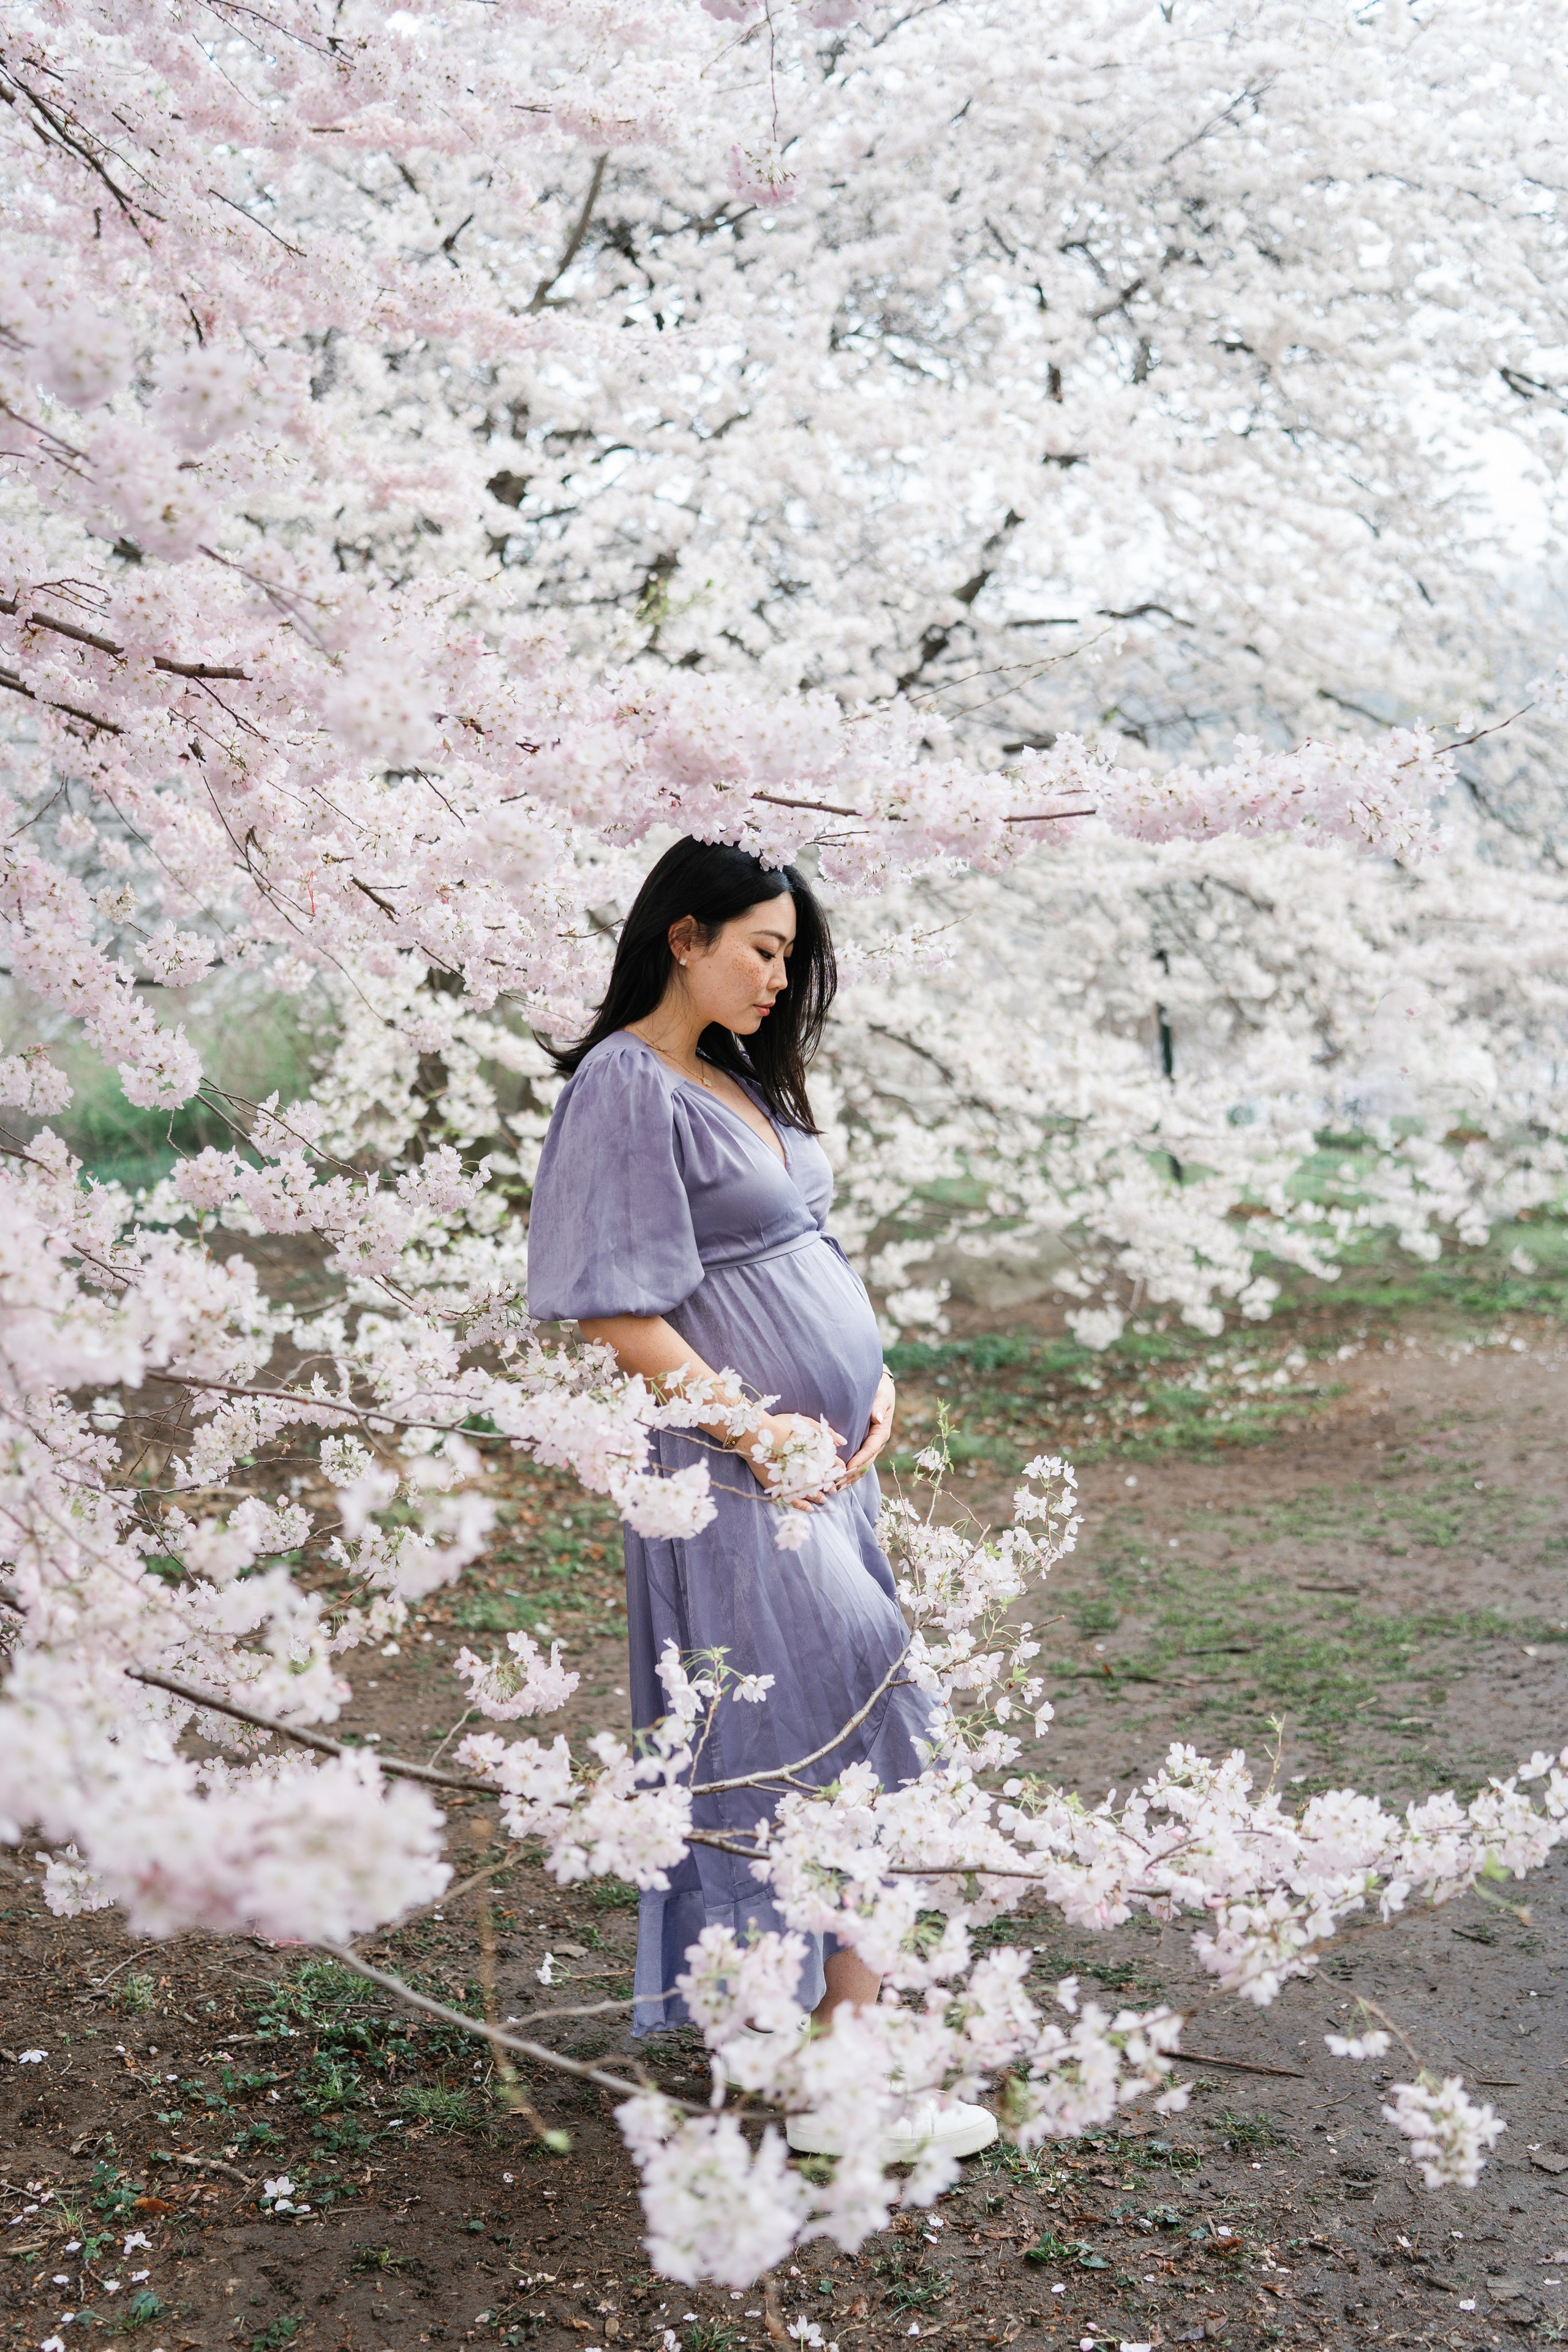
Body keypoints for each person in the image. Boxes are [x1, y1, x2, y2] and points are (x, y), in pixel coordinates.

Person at [527, 837, 995, 2162]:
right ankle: (828, 2071)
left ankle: (840, 2050)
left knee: (834, 1721)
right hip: (733, 1473)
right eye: (762, 949)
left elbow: (804, 1246)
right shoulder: (626, 1084)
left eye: (791, 958)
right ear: (683, 936)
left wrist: (874, 1375)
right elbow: (617, 1304)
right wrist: (753, 1427)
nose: (780, 980)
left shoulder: (731, 1076)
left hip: (826, 1461)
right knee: (842, 1708)